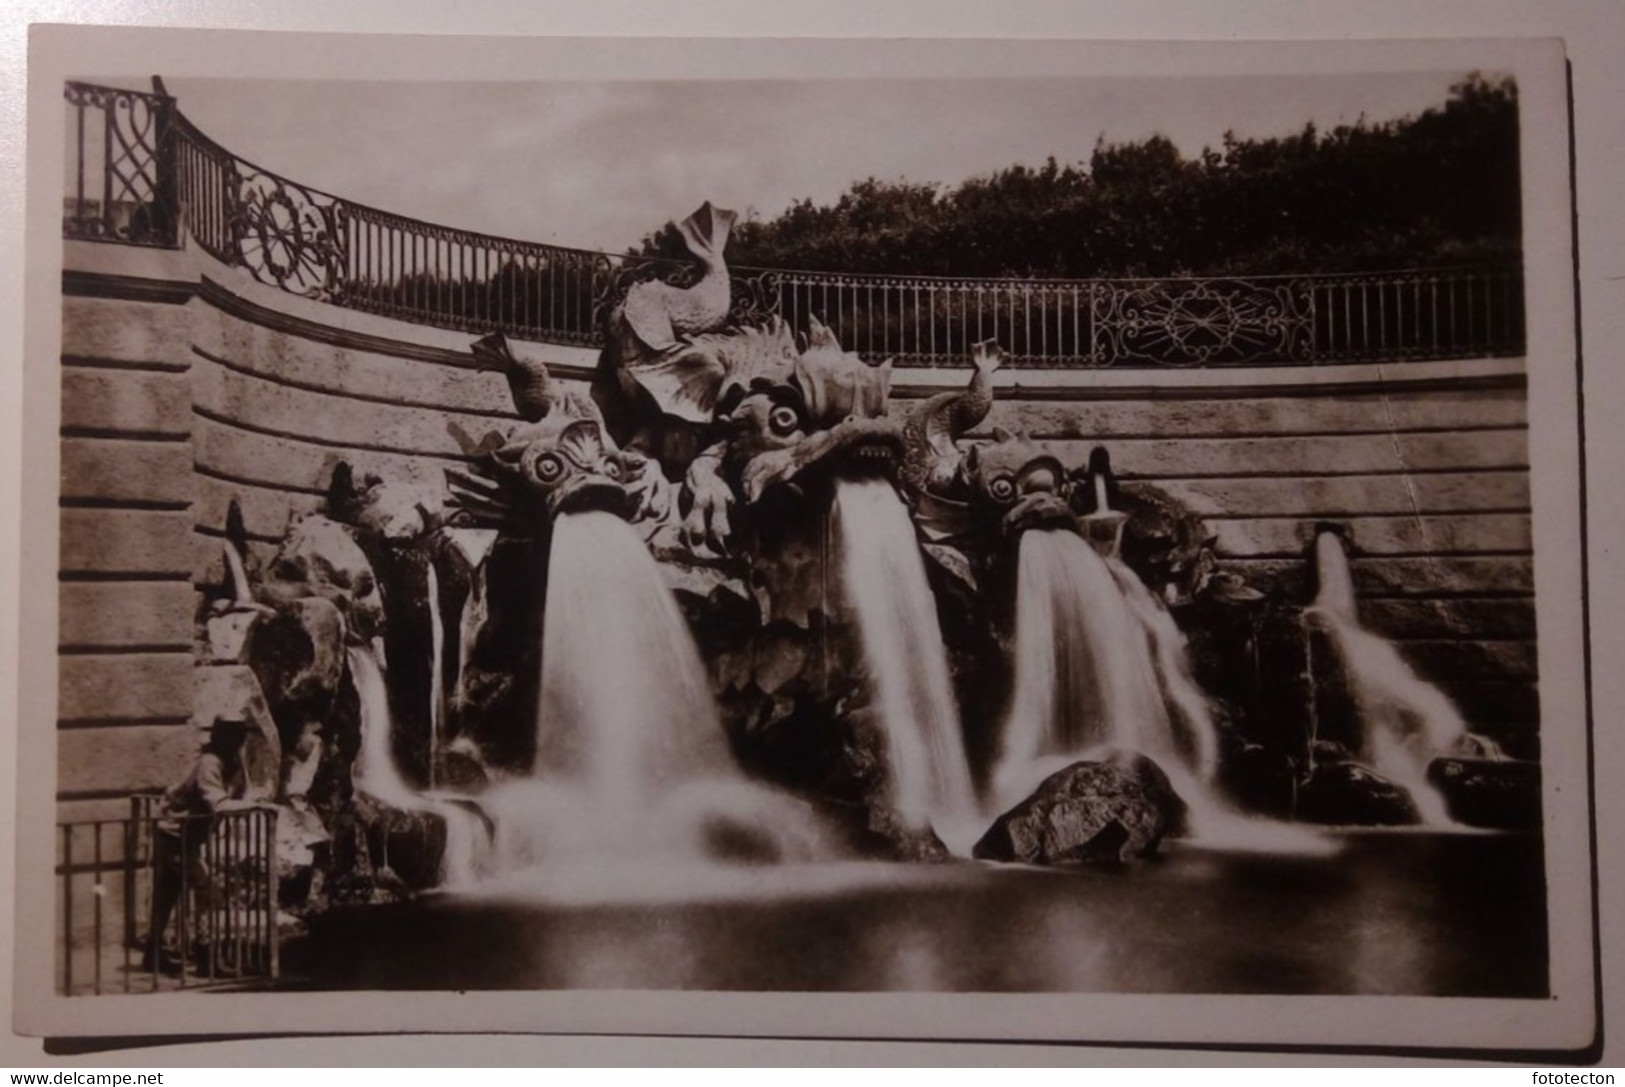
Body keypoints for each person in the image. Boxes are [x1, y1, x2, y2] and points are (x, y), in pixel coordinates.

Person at [141, 715, 252, 972]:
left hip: (181, 834)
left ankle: (152, 954)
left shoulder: (228, 762)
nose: (239, 744)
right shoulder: (209, 763)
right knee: (209, 890)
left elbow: (239, 791)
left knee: (166, 896)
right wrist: (255, 806)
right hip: (174, 834)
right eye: (236, 738)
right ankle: (206, 955)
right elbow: (217, 801)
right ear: (224, 739)